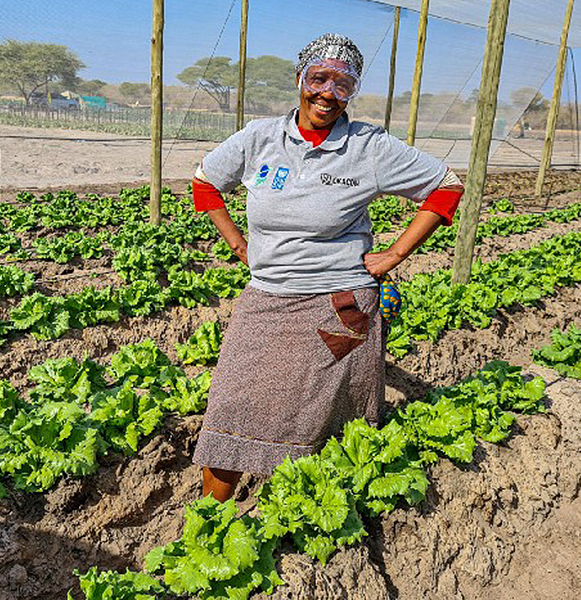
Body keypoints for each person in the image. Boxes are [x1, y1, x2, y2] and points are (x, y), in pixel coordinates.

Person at [189, 33, 464, 502]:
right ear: (300, 79)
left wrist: (395, 254)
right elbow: (205, 183)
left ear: (352, 92)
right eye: (319, 79)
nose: (328, 94)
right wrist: (239, 244)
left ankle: (308, 517)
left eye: (343, 85)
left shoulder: (368, 147)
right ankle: (212, 523)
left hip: (339, 304)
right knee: (233, 408)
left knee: (321, 419)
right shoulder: (260, 138)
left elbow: (446, 186)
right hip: (267, 296)